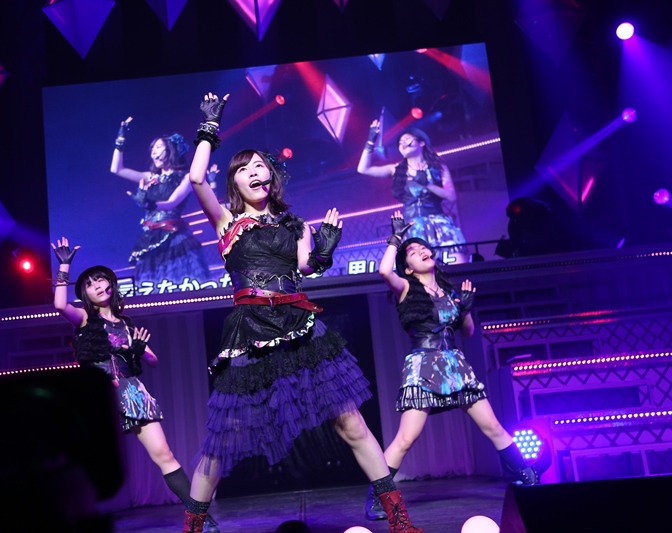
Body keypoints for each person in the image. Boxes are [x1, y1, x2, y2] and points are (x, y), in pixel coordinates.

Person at [179, 92, 423, 533]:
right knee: (222, 439)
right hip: (250, 331)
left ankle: (398, 519)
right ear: (235, 184)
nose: (255, 172)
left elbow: (307, 266)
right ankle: (192, 528)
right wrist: (209, 127)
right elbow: (197, 178)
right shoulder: (227, 223)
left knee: (351, 423)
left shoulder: (295, 226)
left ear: (271, 177)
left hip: (300, 326)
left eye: (260, 166)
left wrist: (325, 249)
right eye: (245, 169)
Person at [363, 211, 538, 521]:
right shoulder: (405, 288)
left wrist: (466, 309)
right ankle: (379, 497)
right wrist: (396, 239)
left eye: (424, 247)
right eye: (414, 251)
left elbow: (467, 332)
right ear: (408, 267)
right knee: (406, 438)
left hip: (455, 366)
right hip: (424, 367)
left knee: (492, 426)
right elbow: (383, 270)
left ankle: (527, 474)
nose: (422, 251)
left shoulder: (450, 293)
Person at [51, 238, 219, 532]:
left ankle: (200, 521)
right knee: (89, 463)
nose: (97, 285)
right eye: (89, 284)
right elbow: (59, 304)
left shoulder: (127, 324)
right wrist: (64, 266)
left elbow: (153, 360)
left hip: (131, 392)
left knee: (165, 456)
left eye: (100, 279)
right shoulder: (84, 318)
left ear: (111, 284)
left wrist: (138, 350)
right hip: (99, 395)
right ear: (86, 294)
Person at [110, 119, 212, 289]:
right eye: (152, 149)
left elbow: (171, 203)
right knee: (152, 285)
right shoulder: (150, 177)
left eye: (158, 147)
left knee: (178, 281)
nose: (153, 152)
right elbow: (117, 169)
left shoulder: (186, 177)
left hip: (174, 237)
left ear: (170, 150)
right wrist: (120, 138)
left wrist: (148, 204)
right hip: (149, 237)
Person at [357, 120, 469, 264]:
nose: (403, 143)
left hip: (438, 223)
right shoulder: (396, 169)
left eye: (407, 139)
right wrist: (370, 141)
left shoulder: (438, 166)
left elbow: (451, 196)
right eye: (400, 142)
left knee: (458, 263)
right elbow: (363, 169)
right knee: (420, 270)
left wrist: (427, 184)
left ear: (421, 143)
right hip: (413, 227)